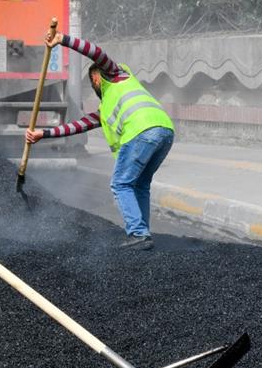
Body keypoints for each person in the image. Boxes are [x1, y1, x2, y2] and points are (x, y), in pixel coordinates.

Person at [25, 32, 175, 250]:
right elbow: (79, 125)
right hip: (165, 131)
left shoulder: (115, 74)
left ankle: (138, 234)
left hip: (141, 131)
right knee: (140, 184)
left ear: (96, 78)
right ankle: (143, 233)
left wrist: (63, 40)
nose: (94, 86)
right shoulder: (106, 107)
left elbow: (96, 52)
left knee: (121, 183)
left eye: (92, 82)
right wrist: (44, 134)